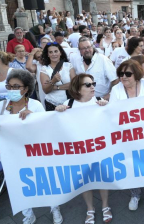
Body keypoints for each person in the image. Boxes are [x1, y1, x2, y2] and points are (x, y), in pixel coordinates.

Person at [0, 69, 63, 224]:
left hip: (36, 153)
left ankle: (54, 208)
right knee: (19, 185)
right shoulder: (1, 107)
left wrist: (33, 118)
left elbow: (47, 129)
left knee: (45, 181)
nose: (12, 90)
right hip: (12, 155)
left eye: (17, 86)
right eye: (9, 86)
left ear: (26, 88)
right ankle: (28, 214)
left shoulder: (35, 105)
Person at [54, 74, 111, 223]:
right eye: (88, 85)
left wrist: (108, 108)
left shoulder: (100, 102)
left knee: (101, 178)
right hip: (80, 151)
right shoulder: (69, 104)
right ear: (77, 89)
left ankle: (105, 205)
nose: (93, 86)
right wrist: (58, 111)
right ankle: (90, 208)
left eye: (93, 83)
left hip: (99, 148)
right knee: (85, 180)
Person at [109, 60, 144, 210]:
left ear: (136, 74)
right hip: (126, 137)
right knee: (131, 165)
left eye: (128, 74)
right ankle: (135, 194)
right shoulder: (116, 89)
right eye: (121, 74)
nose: (123, 77)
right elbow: (112, 113)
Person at [40, 43, 76, 111]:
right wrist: (53, 81)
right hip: (51, 103)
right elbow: (46, 90)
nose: (54, 54)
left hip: (69, 102)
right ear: (48, 55)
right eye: (51, 52)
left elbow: (74, 85)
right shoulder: (44, 69)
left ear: (60, 52)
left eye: (56, 51)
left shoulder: (68, 66)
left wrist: (56, 87)